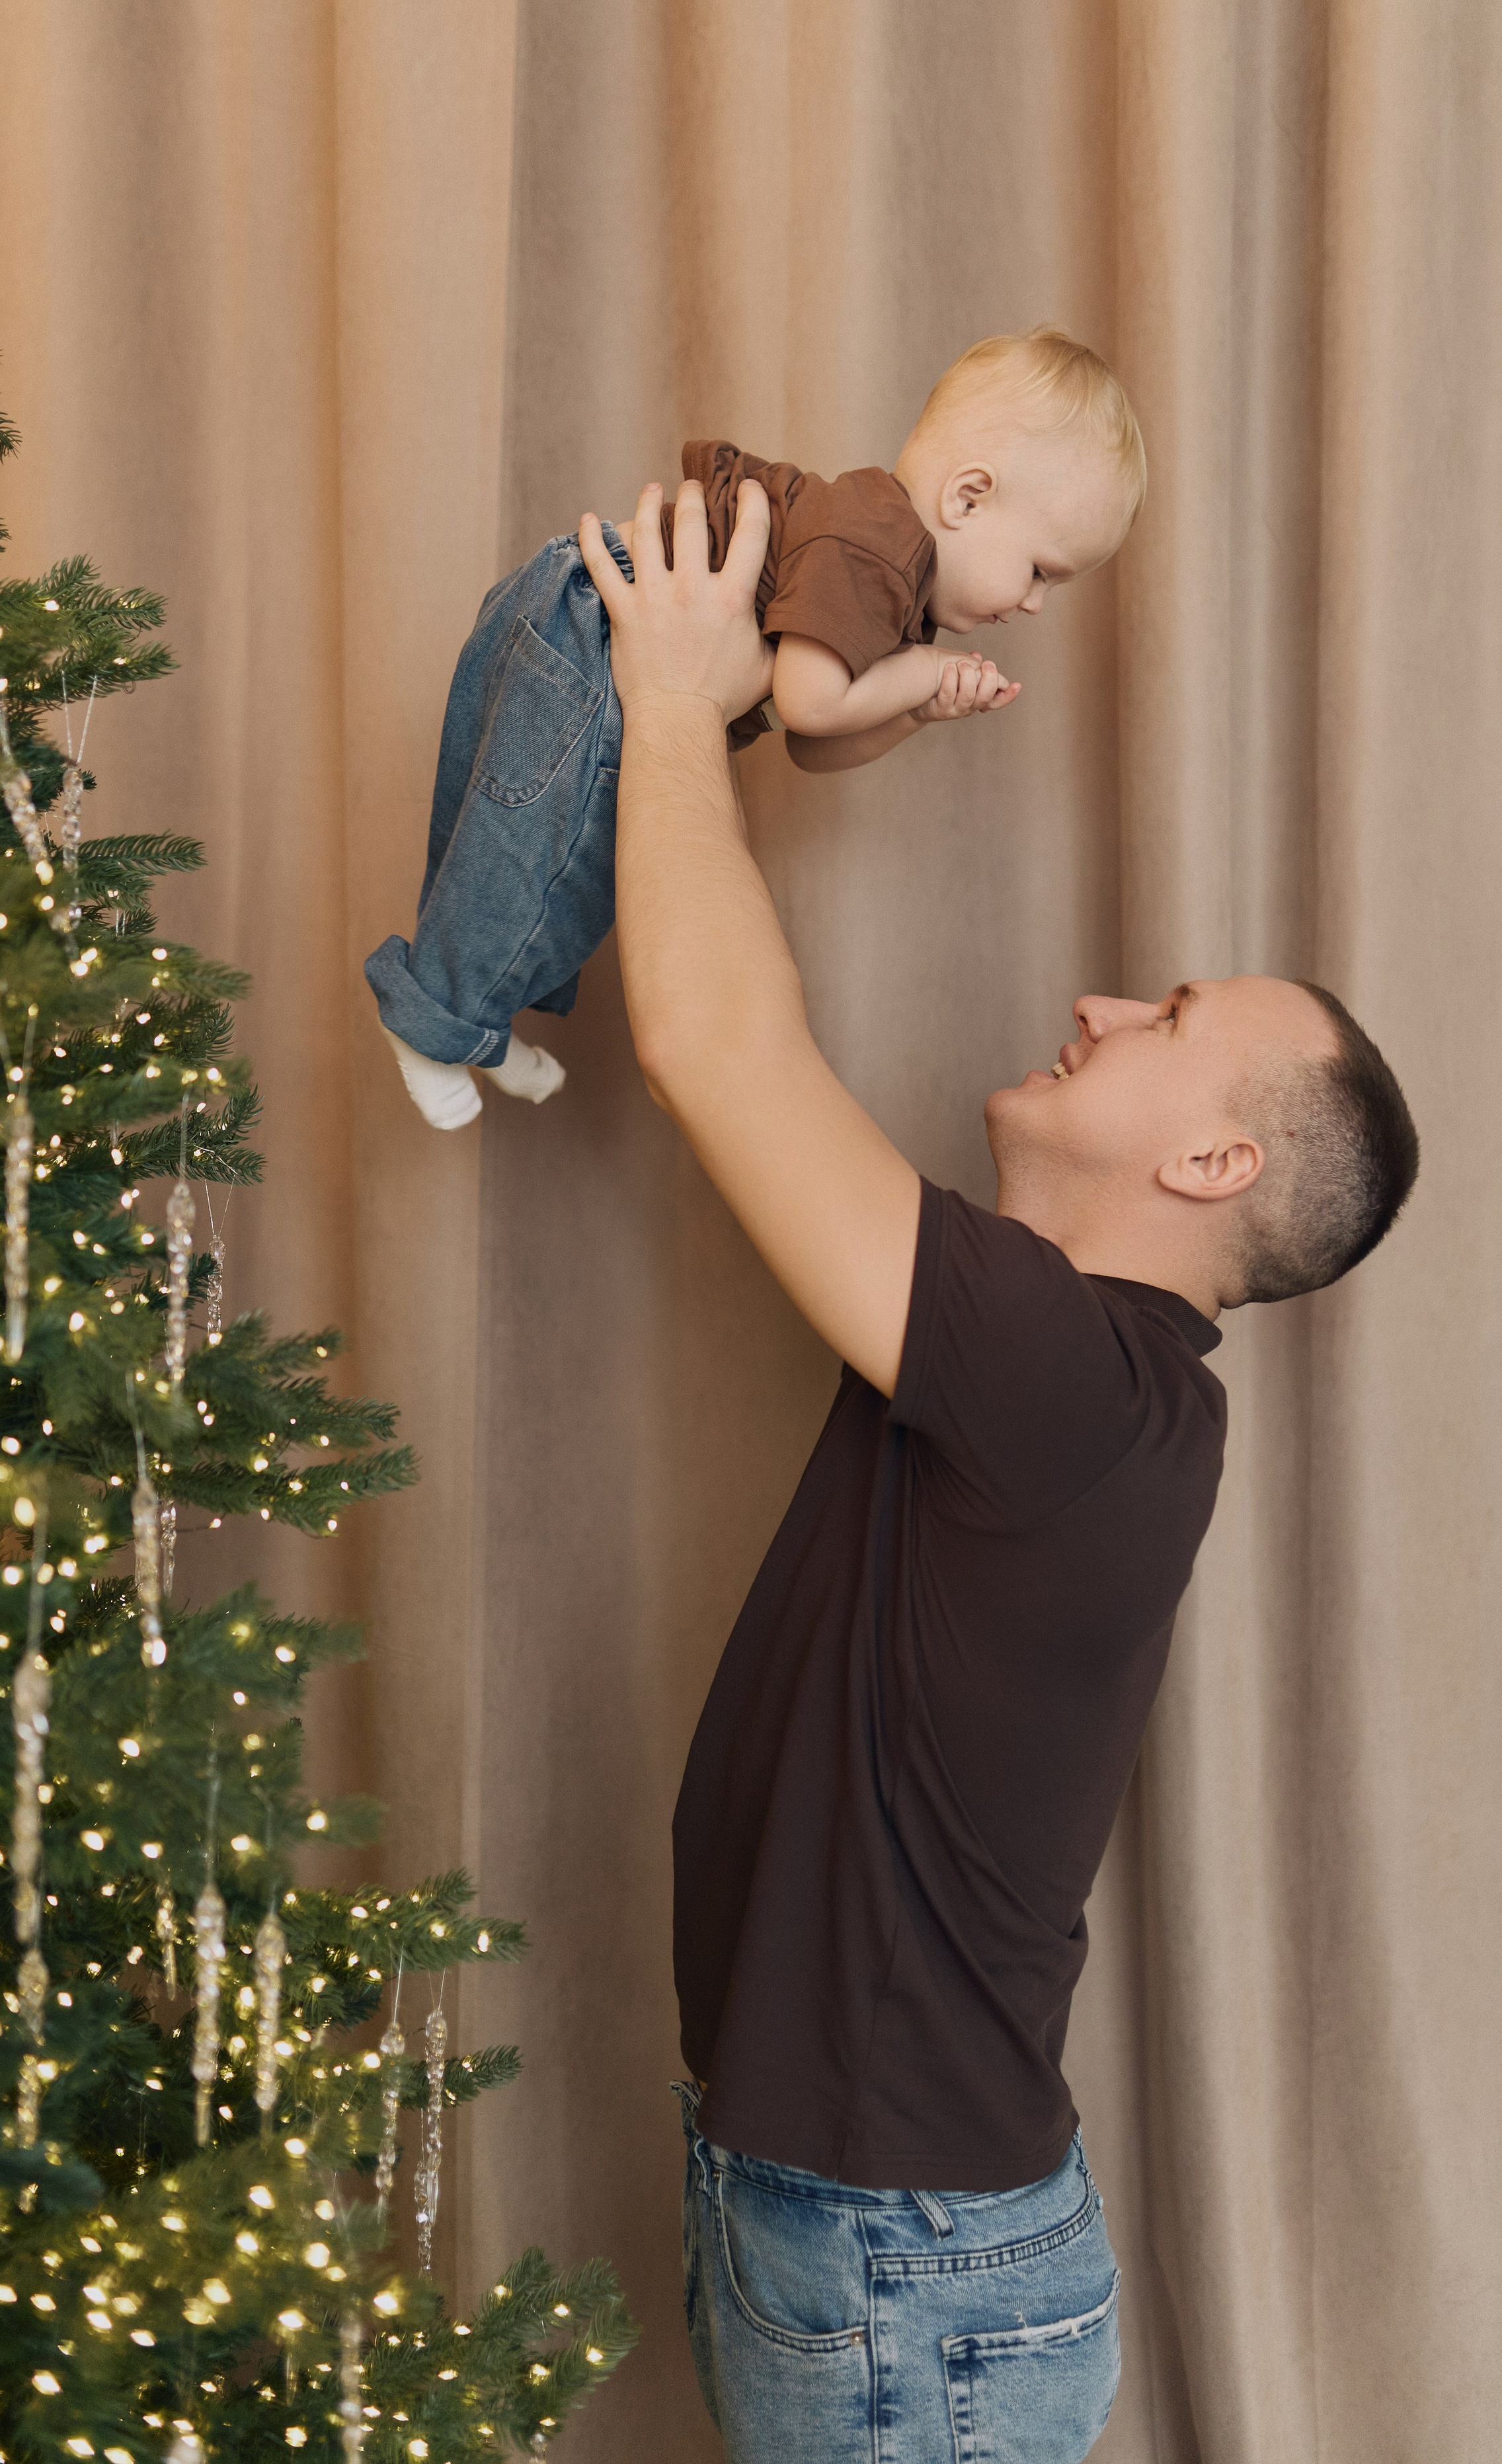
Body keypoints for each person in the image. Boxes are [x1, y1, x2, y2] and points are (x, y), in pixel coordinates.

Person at [575, 479, 1419, 2464]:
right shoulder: (1071, 1360)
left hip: (905, 2278)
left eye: (1168, 1022)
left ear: (1213, 1165)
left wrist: (675, 694)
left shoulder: (1073, 1377)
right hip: (857, 2231)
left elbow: (712, 1040)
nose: (1097, 1005)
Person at [366, 328, 1142, 1129]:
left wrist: (914, 709)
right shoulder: (873, 547)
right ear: (968, 496)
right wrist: (920, 673)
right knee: (534, 852)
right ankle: (430, 1026)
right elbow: (808, 701)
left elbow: (813, 746)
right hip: (594, 626)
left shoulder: (896, 574)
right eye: (1042, 569)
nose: (1033, 604)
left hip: (596, 627)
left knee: (570, 870)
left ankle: (474, 1023)